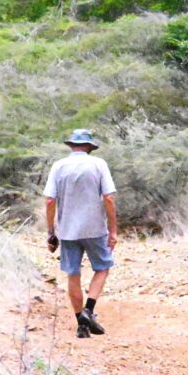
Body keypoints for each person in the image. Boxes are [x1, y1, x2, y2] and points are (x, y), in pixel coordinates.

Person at [43, 129, 117, 339]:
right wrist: (113, 230)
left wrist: (51, 232)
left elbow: (49, 201)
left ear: (72, 146)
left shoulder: (58, 166)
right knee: (103, 268)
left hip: (67, 231)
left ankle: (81, 326)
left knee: (73, 274)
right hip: (95, 229)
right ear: (89, 147)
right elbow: (109, 198)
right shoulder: (98, 164)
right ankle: (88, 310)